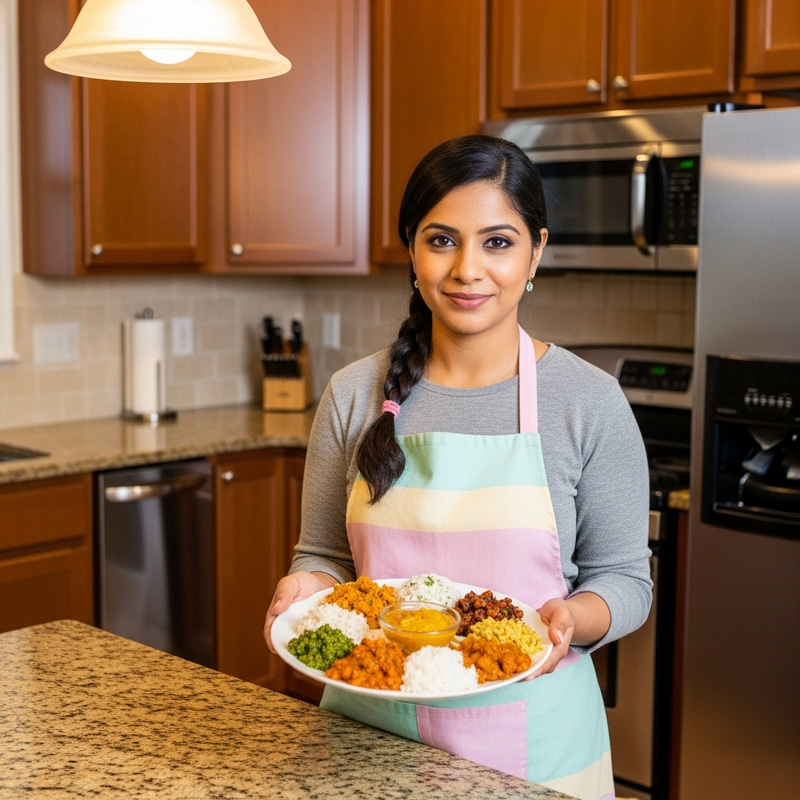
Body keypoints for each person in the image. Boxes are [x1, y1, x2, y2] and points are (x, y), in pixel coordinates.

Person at [264, 134, 651, 800]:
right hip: (365, 736)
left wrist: (572, 619)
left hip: (536, 753)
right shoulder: (355, 394)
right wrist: (305, 588)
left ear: (536, 251)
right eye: (442, 240)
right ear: (412, 251)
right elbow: (323, 555)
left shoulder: (589, 402)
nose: (468, 269)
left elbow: (625, 581)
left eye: (497, 242)